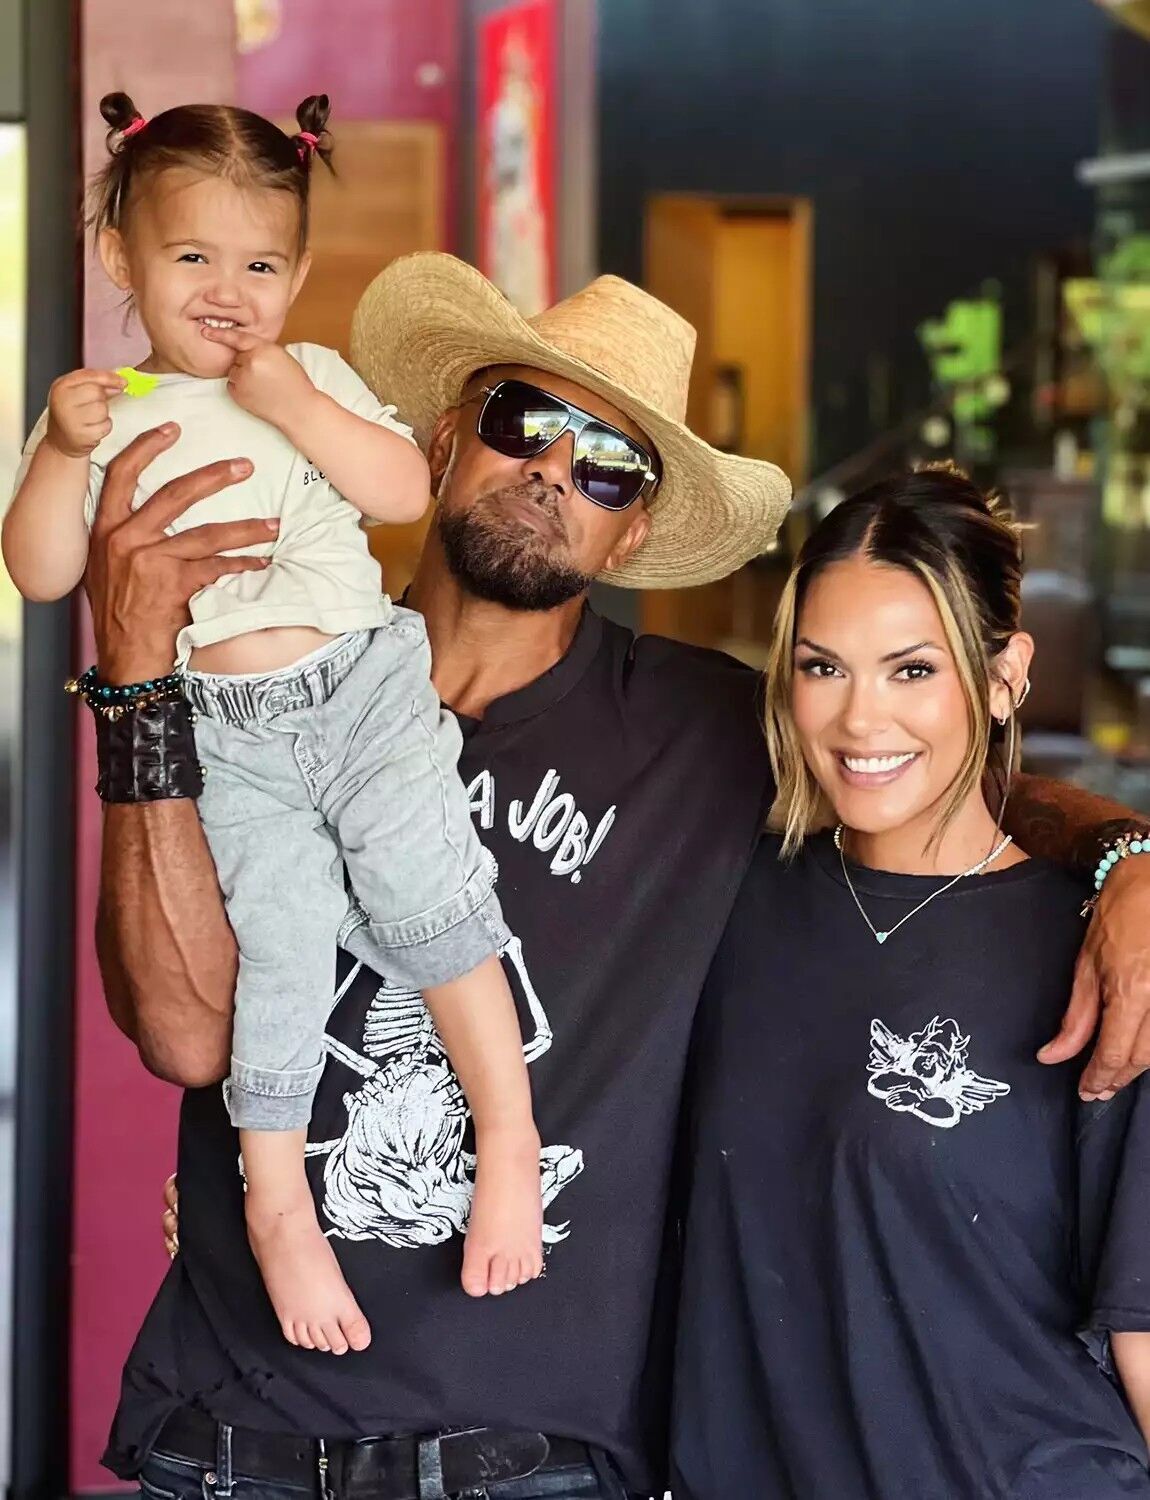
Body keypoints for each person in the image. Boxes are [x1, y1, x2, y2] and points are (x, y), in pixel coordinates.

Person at [89, 254, 1150, 1500]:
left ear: (633, 527)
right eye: (522, 421)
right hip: (223, 1436)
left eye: (607, 466)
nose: (553, 473)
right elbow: (179, 1031)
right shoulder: (263, 676)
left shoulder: (705, 735)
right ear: (442, 437)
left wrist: (1127, 857)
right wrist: (134, 673)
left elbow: (909, 763)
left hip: (531, 1461)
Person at [3, 96, 546, 1352]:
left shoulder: (312, 378)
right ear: (117, 257)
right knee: (286, 954)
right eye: (191, 257)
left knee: (440, 905)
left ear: (298, 273)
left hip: (358, 688)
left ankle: (507, 1138)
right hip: (225, 730)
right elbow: (38, 573)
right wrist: (54, 460)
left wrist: (297, 403)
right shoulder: (98, 407)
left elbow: (402, 488)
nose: (227, 291)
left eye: (259, 265)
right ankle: (276, 1200)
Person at [672, 467, 1150, 1500]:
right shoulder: (720, 904)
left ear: (1002, 674)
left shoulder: (1100, 952)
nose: (858, 720)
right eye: (822, 667)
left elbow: (1142, 1333)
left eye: (911, 670)